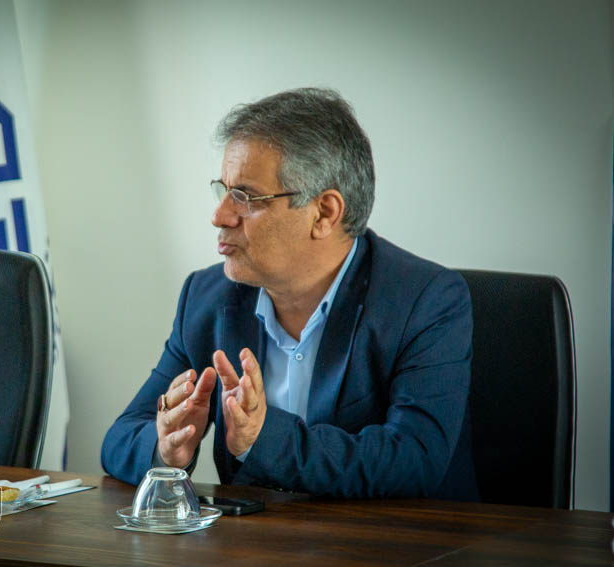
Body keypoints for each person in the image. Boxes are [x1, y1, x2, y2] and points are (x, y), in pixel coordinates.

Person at [101, 88, 477, 499]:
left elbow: (414, 460)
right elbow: (119, 438)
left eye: (245, 197)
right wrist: (165, 447)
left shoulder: (426, 301)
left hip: (391, 537)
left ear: (324, 213)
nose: (219, 216)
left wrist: (264, 439)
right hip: (256, 536)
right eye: (223, 191)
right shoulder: (207, 298)